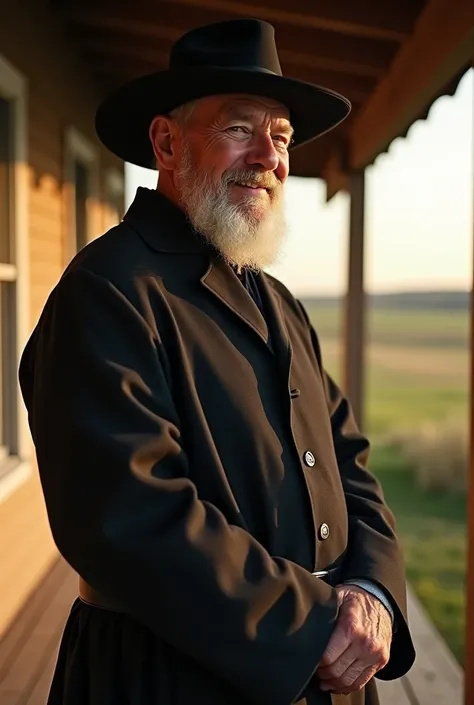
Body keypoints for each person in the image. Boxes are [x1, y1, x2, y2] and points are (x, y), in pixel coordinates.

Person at [19, 17, 415, 705]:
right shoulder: (107, 291)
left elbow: (349, 458)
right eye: (241, 128)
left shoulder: (278, 300)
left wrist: (374, 589)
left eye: (283, 136)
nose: (269, 155)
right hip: (166, 678)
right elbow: (129, 518)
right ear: (167, 142)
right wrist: (317, 622)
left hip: (328, 666)